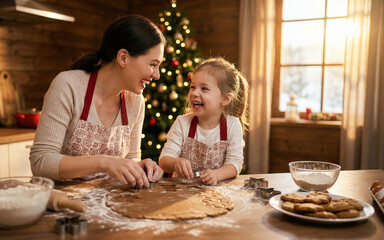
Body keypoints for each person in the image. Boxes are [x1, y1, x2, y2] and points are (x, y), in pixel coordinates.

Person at [30, 14, 166, 188]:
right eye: (153, 64)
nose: (157, 75)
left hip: (109, 205)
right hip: (60, 204)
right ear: (123, 57)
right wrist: (104, 162)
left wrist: (138, 168)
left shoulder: (135, 101)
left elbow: (131, 158)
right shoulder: (68, 86)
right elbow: (41, 161)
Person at [158, 57, 249, 186]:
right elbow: (164, 160)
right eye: (193, 87)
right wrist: (175, 162)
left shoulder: (232, 125)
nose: (195, 93)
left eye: (204, 88)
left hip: (216, 193)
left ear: (225, 99)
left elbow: (234, 164)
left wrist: (217, 175)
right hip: (181, 191)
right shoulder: (182, 123)